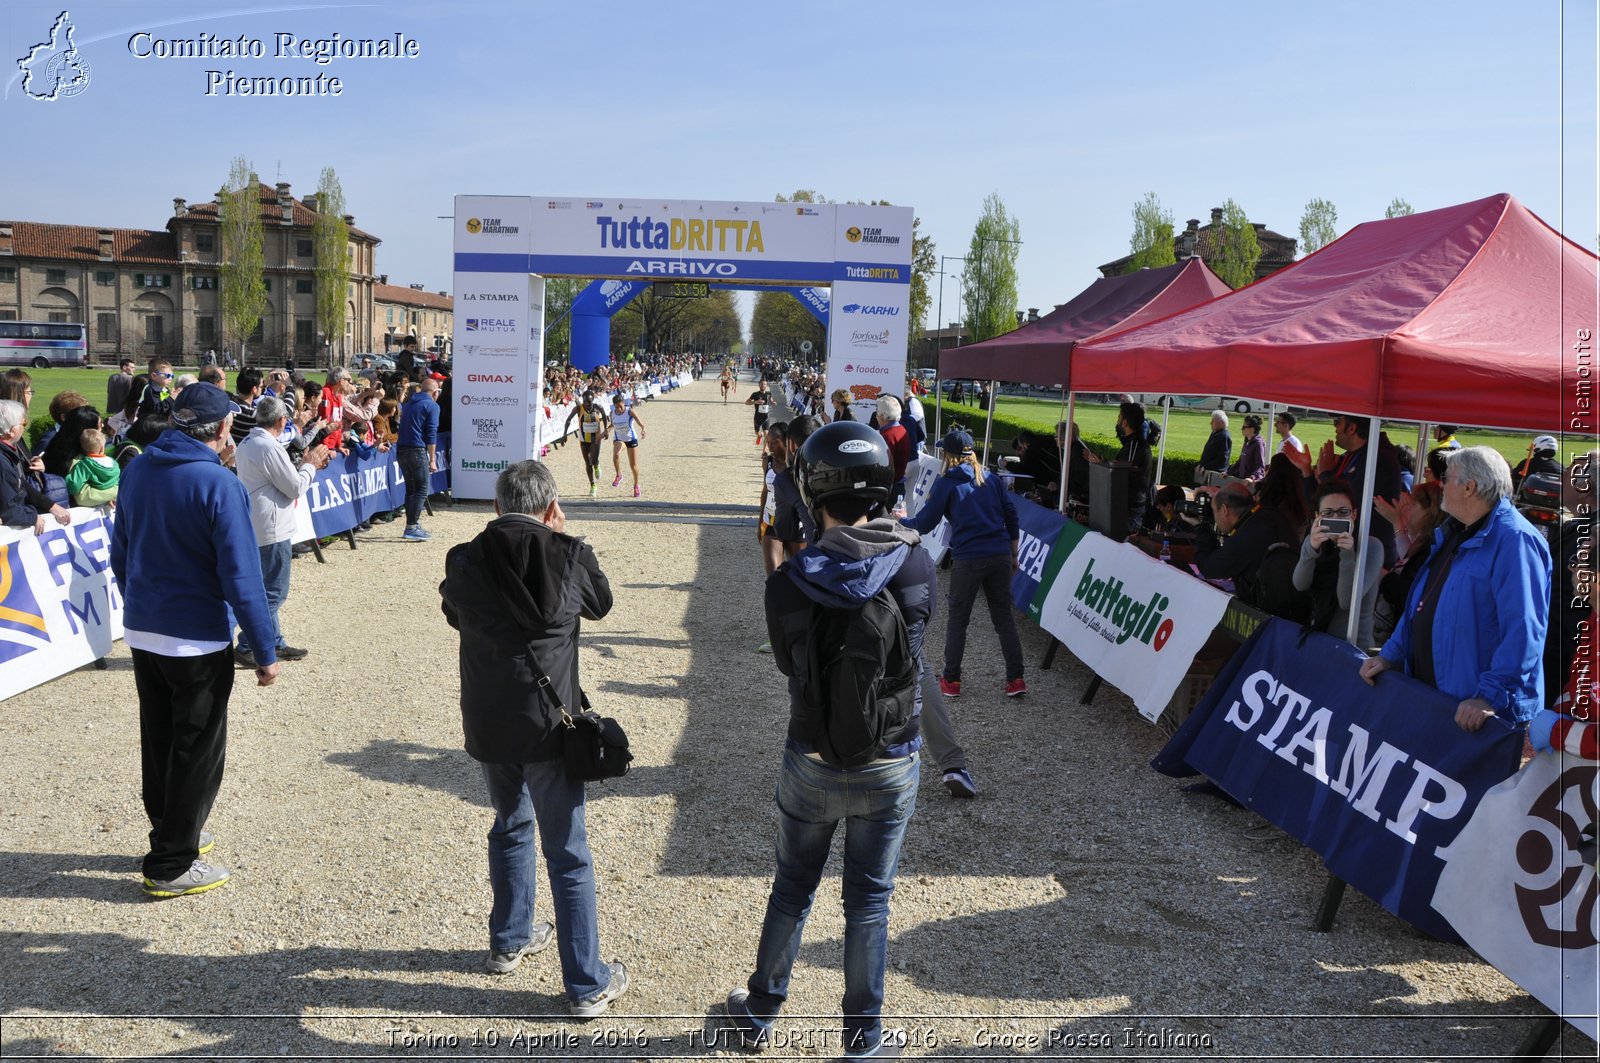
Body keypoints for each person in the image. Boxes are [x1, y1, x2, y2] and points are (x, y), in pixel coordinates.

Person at [725, 420, 928, 1057]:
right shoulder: (915, 559)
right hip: (890, 755)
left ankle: (761, 1012)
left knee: (793, 884)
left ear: (815, 492)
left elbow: (790, 664)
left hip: (811, 754)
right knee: (870, 900)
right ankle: (863, 1041)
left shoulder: (788, 580)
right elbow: (913, 654)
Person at [438, 460, 628, 1016]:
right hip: (551, 724)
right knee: (567, 851)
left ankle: (510, 937)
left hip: (489, 718)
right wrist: (569, 537)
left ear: (497, 507)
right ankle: (586, 983)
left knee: (510, 825)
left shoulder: (465, 558)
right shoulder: (566, 554)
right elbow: (602, 603)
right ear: (550, 507)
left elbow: (455, 614)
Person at [109, 382, 281, 898]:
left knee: (160, 737)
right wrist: (265, 650)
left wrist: (141, 600)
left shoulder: (138, 467)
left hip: (145, 624)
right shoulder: (217, 484)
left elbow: (121, 553)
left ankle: (172, 832)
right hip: (196, 636)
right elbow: (242, 577)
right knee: (196, 747)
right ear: (224, 428)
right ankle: (171, 861)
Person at [1360, 447, 1552, 731]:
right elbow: (1421, 602)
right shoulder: (1455, 531)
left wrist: (1488, 697)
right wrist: (1391, 655)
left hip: (1480, 714)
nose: (1441, 486)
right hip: (1443, 700)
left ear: (1469, 488)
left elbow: (1523, 630)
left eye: (1447, 479)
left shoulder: (1515, 541)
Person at [901, 429, 1026, 699]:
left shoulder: (946, 483)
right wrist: (1014, 553)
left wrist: (898, 521)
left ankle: (952, 680)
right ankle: (1016, 679)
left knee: (958, 619)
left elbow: (924, 524)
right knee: (1003, 617)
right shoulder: (991, 478)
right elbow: (1011, 515)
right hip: (1000, 553)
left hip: (969, 558)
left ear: (948, 455)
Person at [233, 396, 332, 667]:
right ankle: (246, 643)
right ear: (282, 421)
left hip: (261, 522)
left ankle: (273, 640)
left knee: (267, 588)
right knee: (275, 591)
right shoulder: (267, 447)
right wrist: (310, 464)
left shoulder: (249, 442)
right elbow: (295, 487)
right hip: (272, 526)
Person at [1285, 413, 1403, 566]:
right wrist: (1307, 472)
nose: (1335, 427)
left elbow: (1344, 503)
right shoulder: (1355, 455)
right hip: (1347, 550)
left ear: (1352, 428)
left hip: (1367, 556)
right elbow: (1320, 503)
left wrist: (1326, 475)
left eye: (1337, 421)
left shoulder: (1378, 458)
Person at [1292, 481, 1383, 647]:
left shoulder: (1371, 546)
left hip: (1352, 647)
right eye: (1328, 513)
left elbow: (1347, 601)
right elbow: (1300, 584)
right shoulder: (1315, 541)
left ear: (1354, 514)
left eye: (1343, 512)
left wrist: (1347, 554)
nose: (1335, 518)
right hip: (1318, 639)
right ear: (1317, 517)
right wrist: (1310, 550)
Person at [1183, 481, 1299, 606]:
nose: (1214, 517)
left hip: (1269, 612)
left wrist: (1201, 527)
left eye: (1214, 511)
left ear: (1224, 510)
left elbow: (1209, 568)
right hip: (1294, 605)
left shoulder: (1247, 535)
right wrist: (1220, 494)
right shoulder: (1271, 514)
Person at [0, 400, 71, 532]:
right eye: (23, 424)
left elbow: (19, 482)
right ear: (12, 431)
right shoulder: (3, 462)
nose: (24, 427)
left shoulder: (8, 453)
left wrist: (50, 505)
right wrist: (33, 516)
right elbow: (9, 510)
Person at [1085, 402, 1152, 536]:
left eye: (1119, 418)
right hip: (1127, 506)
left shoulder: (1135, 445)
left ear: (1125, 423)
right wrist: (1103, 462)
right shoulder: (1132, 444)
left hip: (1129, 509)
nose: (1117, 422)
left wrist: (1103, 464)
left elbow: (1123, 471)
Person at [397, 374, 441, 541]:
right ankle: (412, 526)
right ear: (435, 392)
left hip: (402, 449)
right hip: (417, 450)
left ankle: (411, 524)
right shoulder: (432, 406)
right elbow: (431, 434)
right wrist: (432, 459)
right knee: (421, 489)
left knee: (411, 489)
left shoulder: (409, 404)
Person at [564, 390, 608, 497]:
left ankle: (596, 464)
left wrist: (606, 429)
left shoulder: (598, 407)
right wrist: (564, 434)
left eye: (589, 401)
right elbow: (568, 419)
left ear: (593, 400)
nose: (587, 404)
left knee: (593, 459)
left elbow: (604, 416)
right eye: (585, 401)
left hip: (596, 438)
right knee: (587, 462)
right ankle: (593, 485)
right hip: (583, 439)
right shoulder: (578, 408)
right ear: (582, 400)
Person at [65, 427, 120, 507]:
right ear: (102, 448)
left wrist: (68, 478)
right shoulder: (113, 463)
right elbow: (117, 479)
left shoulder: (85, 464)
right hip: (112, 498)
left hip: (93, 501)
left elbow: (74, 485)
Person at [876, 395, 914, 509]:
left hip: (889, 487)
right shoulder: (900, 429)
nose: (876, 415)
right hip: (896, 484)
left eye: (877, 412)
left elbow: (882, 464)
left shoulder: (889, 435)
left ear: (883, 416)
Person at [606, 392, 646, 497]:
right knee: (616, 455)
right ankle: (619, 475)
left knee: (633, 465)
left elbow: (640, 422)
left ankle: (636, 485)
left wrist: (643, 429)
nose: (618, 409)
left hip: (631, 439)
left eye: (620, 406)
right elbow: (612, 425)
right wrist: (605, 432)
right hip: (619, 439)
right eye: (616, 407)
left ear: (623, 403)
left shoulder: (629, 411)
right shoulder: (612, 413)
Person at [1228, 415, 1269, 481]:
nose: (1242, 429)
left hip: (1250, 484)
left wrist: (1252, 477)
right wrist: (1228, 472)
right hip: (1242, 480)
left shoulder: (1258, 444)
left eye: (1244, 427)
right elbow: (1240, 461)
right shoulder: (1247, 441)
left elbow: (1260, 466)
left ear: (1252, 429)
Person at [1198, 410, 1232, 478]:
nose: (1210, 423)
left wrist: (1206, 467)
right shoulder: (1216, 433)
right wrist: (1201, 464)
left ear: (1221, 423)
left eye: (1213, 421)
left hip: (1214, 474)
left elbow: (1222, 459)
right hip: (1207, 471)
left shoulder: (1223, 436)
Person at [745, 380, 774, 446]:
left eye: (764, 384)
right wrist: (755, 402)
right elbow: (746, 402)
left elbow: (771, 400)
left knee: (766, 434)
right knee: (757, 432)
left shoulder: (769, 393)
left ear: (766, 385)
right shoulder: (755, 394)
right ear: (759, 385)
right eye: (761, 384)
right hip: (757, 417)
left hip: (766, 417)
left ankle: (764, 451)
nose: (763, 385)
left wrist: (773, 402)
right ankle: (759, 436)